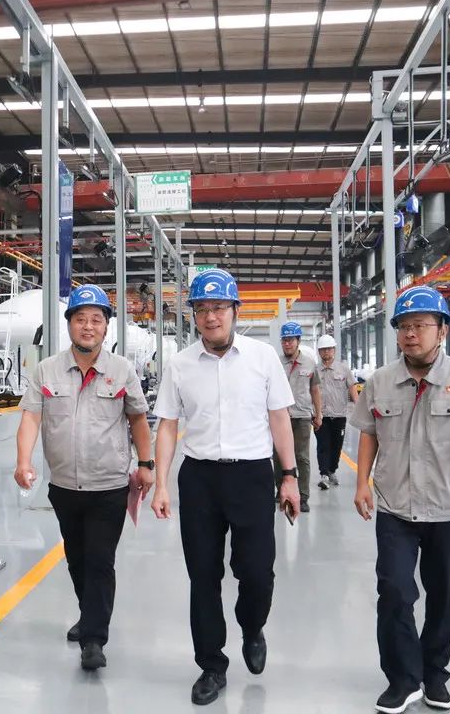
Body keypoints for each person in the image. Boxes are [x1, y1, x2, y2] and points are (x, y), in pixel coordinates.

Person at [150, 268, 301, 706]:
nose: (210, 317)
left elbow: (279, 419)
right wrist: (161, 484)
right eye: (201, 309)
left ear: (236, 310)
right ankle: (212, 665)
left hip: (252, 476)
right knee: (203, 575)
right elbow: (167, 425)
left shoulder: (262, 358)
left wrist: (289, 476)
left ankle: (252, 627)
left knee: (257, 572)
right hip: (199, 478)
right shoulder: (180, 364)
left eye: (218, 307)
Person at [350, 285, 450, 714]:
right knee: (394, 591)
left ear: (442, 330)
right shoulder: (380, 381)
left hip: (448, 507)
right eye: (404, 326)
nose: (411, 334)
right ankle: (402, 679)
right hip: (395, 505)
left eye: (420, 325)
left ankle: (434, 674)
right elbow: (368, 433)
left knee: (442, 594)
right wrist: (362, 483)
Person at [15, 283, 153, 672]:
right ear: (70, 325)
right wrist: (23, 461)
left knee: (99, 560)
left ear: (106, 326)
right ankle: (89, 613)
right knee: (76, 559)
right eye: (80, 319)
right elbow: (31, 417)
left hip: (109, 487)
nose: (88, 326)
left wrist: (147, 464)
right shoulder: (47, 370)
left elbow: (138, 420)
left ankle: (94, 638)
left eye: (96, 319)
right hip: (64, 487)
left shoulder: (122, 370)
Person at [277, 322, 322, 512]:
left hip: (302, 416)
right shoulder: (276, 363)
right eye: (284, 340)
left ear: (298, 341)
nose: (287, 344)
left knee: (302, 457)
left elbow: (315, 389)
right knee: (277, 455)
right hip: (280, 417)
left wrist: (318, 413)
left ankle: (303, 497)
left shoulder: (310, 363)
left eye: (290, 340)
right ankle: (280, 491)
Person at [315, 333, 358, 490]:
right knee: (323, 445)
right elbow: (309, 391)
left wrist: (360, 408)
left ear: (334, 350)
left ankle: (332, 471)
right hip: (321, 416)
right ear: (319, 352)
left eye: (329, 349)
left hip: (339, 416)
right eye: (323, 349)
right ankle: (324, 475)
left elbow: (352, 389)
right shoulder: (315, 370)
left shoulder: (343, 369)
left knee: (336, 446)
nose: (326, 352)